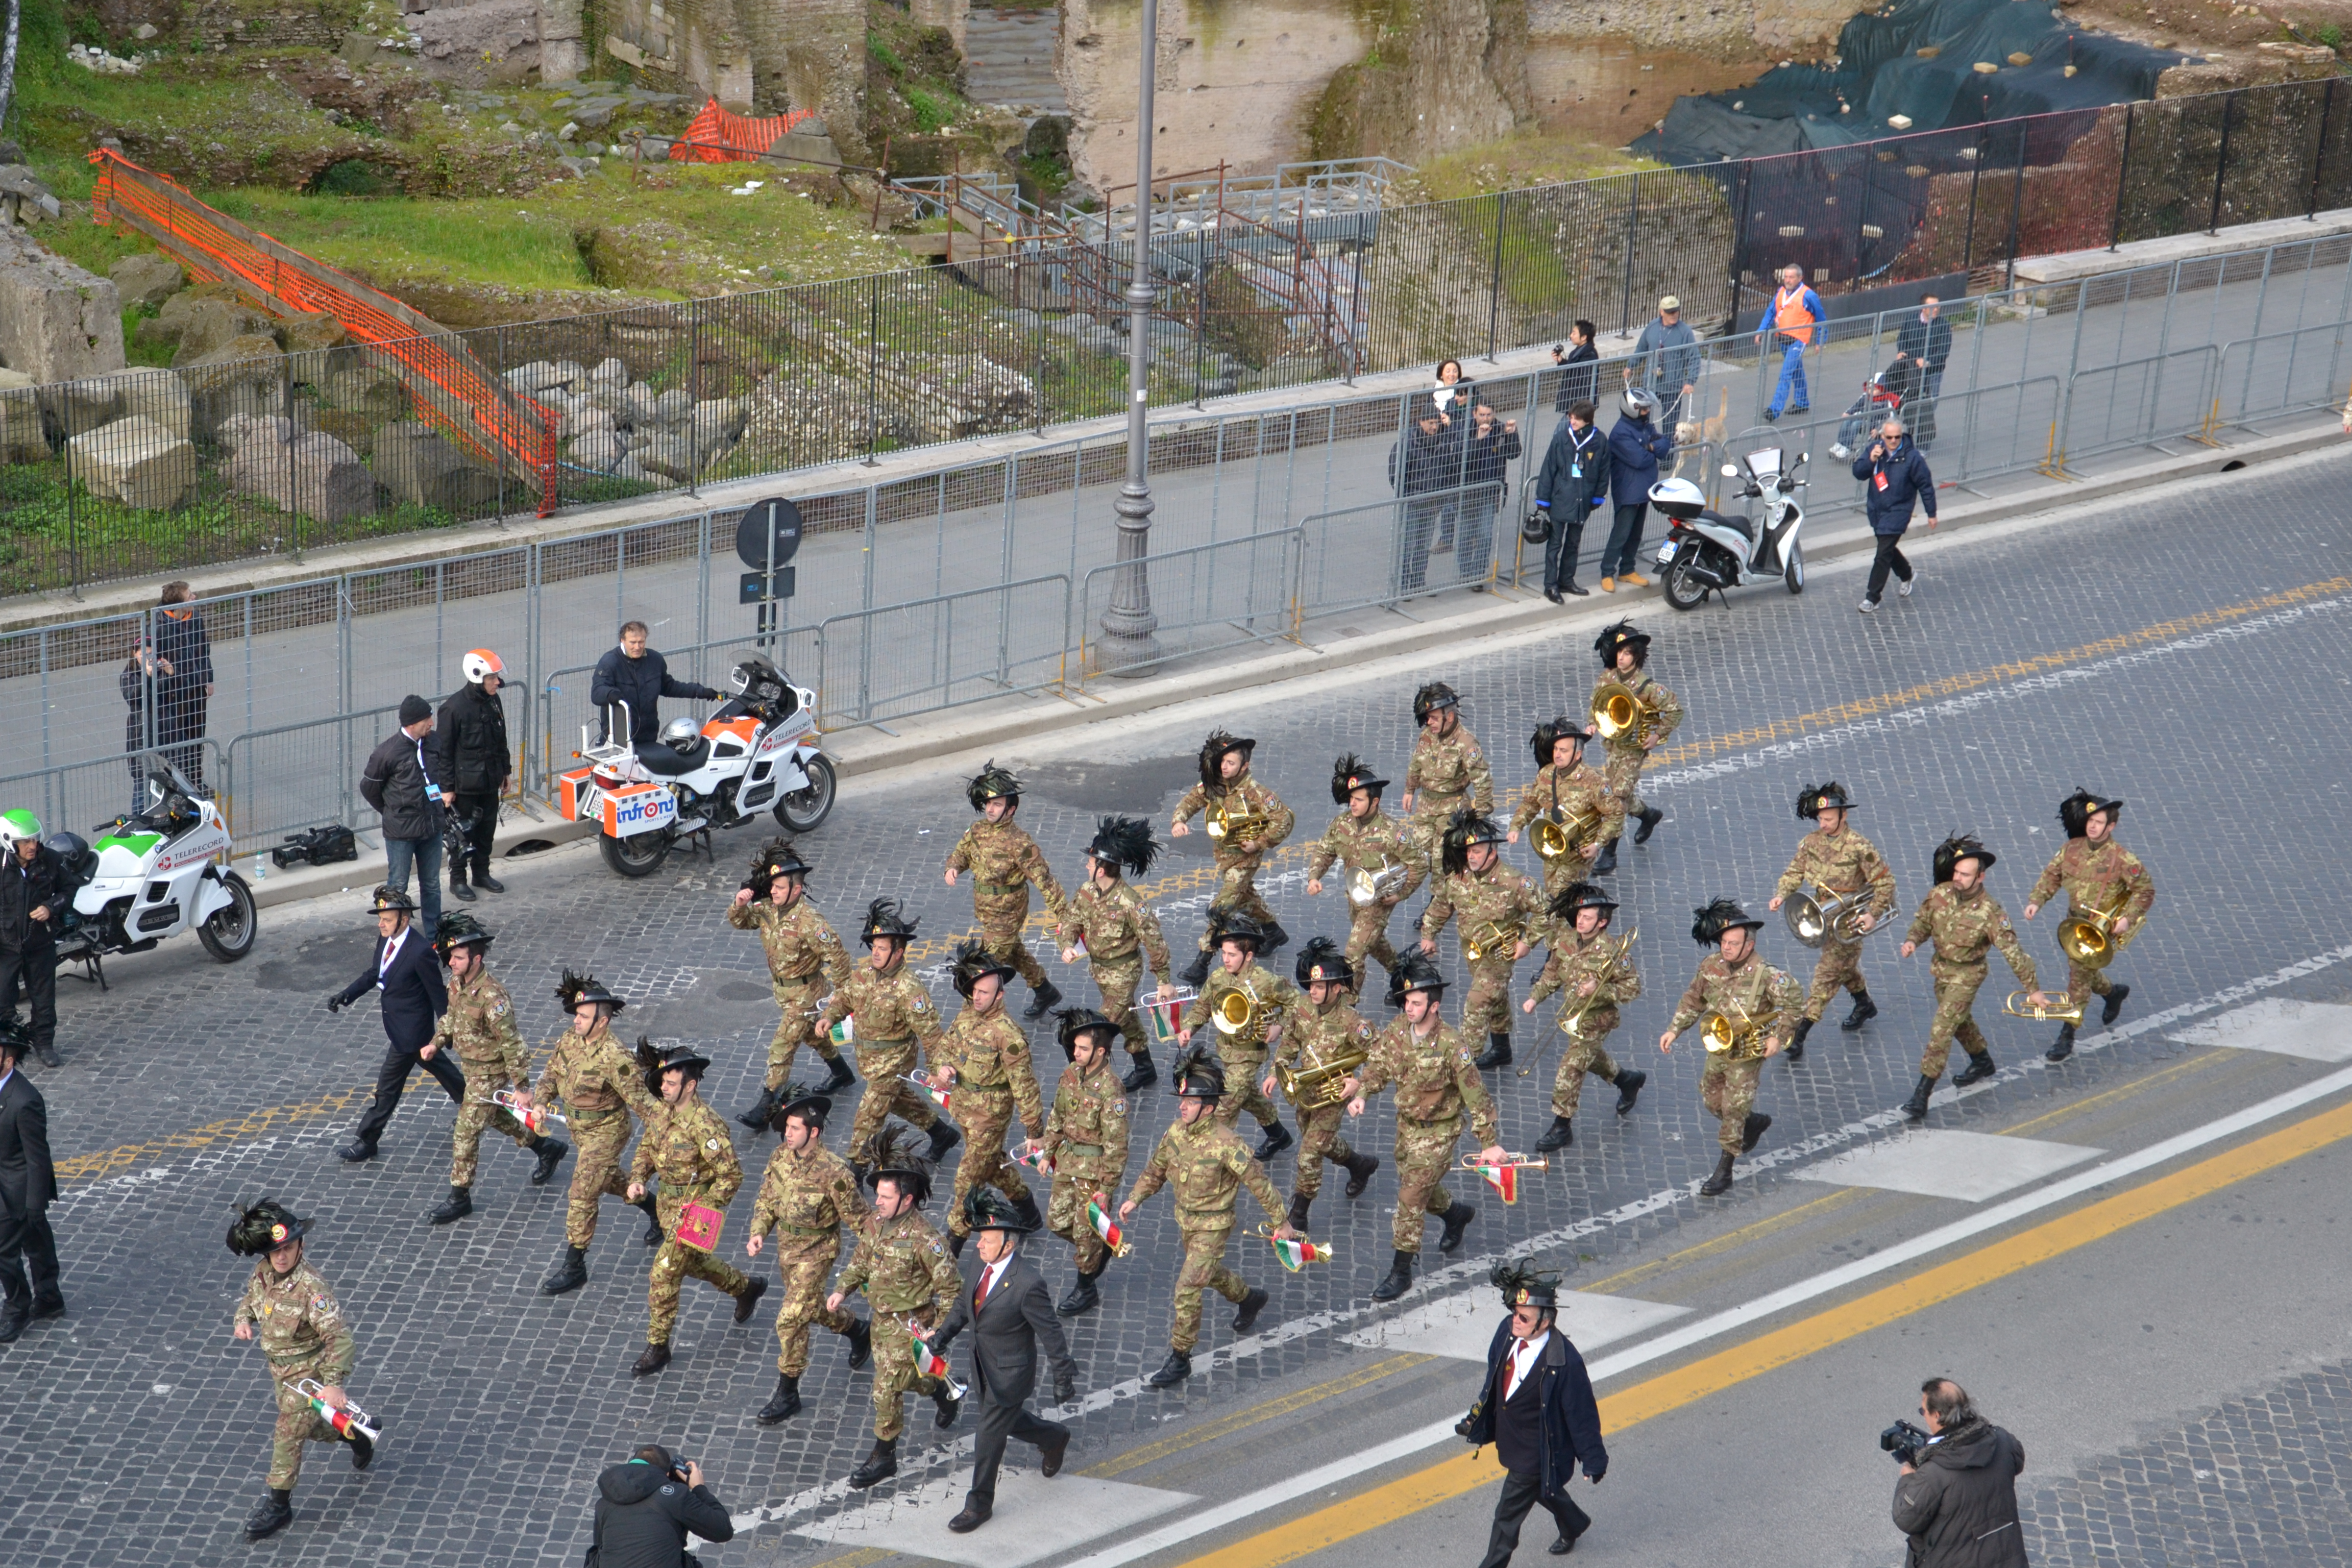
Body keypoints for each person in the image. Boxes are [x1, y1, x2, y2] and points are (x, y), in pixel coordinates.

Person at [1118, 1046, 1295, 1388]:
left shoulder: (1228, 1144)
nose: (1181, 1106)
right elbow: (1155, 1171)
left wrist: (1282, 1223)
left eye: (1189, 1102)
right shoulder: (1175, 1133)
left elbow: (1259, 1183)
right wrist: (1134, 1199)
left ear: (1209, 1108)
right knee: (1208, 1274)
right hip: (1185, 1222)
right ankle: (1249, 1298)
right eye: (1182, 1101)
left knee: (1187, 1288)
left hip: (1213, 1226)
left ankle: (1180, 1357)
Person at [1344, 953, 1505, 1301]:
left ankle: (1401, 1272)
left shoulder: (1452, 1044)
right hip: (1407, 1128)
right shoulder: (1399, 1029)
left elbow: (1476, 1094)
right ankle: (1456, 1214)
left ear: (1434, 1006)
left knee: (1410, 1199)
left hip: (1439, 1131)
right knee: (1420, 1188)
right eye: (1406, 1002)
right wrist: (1364, 1093)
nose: (1408, 1008)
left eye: (1416, 1003)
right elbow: (1380, 1064)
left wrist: (1488, 1142)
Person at [929, 1190, 1081, 1533]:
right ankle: (1054, 1437)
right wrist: (941, 1337)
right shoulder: (978, 1262)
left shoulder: (1028, 1284)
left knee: (988, 1435)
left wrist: (1063, 1376)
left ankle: (979, 1505)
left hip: (1010, 1375)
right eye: (980, 1238)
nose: (979, 1245)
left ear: (1008, 1247)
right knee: (1008, 1423)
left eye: (987, 1240)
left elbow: (1051, 1332)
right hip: (982, 1366)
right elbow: (963, 1306)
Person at [826, 1126, 965, 1489]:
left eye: (885, 1197)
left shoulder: (926, 1240)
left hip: (913, 1324)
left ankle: (884, 1456)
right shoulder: (876, 1223)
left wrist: (940, 1330)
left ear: (907, 1200)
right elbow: (860, 1260)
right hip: (881, 1323)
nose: (877, 1202)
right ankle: (940, 1389)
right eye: (877, 1195)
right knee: (913, 1382)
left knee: (885, 1388)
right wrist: (843, 1289)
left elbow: (952, 1289)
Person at [226, 1200, 372, 1542]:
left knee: (288, 1434)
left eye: (288, 1248)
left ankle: (279, 1504)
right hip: (281, 1373)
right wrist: (242, 1320)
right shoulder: (264, 1271)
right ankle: (356, 1435)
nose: (281, 1257)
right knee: (314, 1429)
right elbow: (251, 1298)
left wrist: (334, 1386)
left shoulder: (312, 1289)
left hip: (311, 1373)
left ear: (301, 1246)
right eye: (275, 1250)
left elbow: (339, 1338)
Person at [627, 1041, 767, 1377]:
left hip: (696, 1212)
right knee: (693, 1263)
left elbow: (731, 1176)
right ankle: (745, 1288)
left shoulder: (707, 1126)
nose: (664, 1088)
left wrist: (702, 1208)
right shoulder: (662, 1111)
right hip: (667, 1204)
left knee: (663, 1272)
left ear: (690, 1086)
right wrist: (638, 1177)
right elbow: (648, 1146)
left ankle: (658, 1346)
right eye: (663, 1082)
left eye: (671, 1083)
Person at [422, 913, 568, 1224]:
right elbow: (452, 1018)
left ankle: (460, 1196)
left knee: (466, 1130)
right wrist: (437, 1041)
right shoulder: (457, 984)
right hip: (471, 1069)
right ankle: (547, 1147)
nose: (451, 963)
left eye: (458, 958)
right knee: (499, 1117)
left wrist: (523, 1088)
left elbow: (512, 1043)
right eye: (450, 957)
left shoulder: (493, 996)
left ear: (476, 959)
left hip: (490, 1073)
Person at [1460, 1261, 1608, 1565]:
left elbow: (1582, 1416)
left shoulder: (1565, 1363)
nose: (1515, 1321)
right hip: (1511, 1438)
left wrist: (1594, 1460)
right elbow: (1494, 1379)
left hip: (1538, 1450)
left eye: (1524, 1317)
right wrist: (1476, 1417)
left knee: (1507, 1517)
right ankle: (1575, 1523)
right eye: (1515, 1313)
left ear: (1546, 1322)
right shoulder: (1506, 1332)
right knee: (1545, 1488)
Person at [744, 1083, 872, 1424]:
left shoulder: (835, 1173)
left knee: (790, 1319)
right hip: (787, 1248)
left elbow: (862, 1221)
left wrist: (879, 1261)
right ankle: (857, 1330)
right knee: (810, 1309)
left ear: (814, 1132)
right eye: (786, 1128)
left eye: (794, 1129)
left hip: (818, 1252)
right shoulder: (780, 1158)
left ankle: (788, 1392)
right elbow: (767, 1199)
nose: (787, 1134)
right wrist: (758, 1232)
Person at [534, 970, 668, 1295]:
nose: (576, 1021)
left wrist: (673, 1133)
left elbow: (643, 1104)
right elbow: (552, 1073)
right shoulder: (570, 1039)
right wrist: (539, 1102)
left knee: (582, 1191)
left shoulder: (616, 1059)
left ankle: (575, 1265)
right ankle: (656, 1209)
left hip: (607, 1131)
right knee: (606, 1179)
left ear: (603, 1022)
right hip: (579, 1128)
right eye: (577, 1015)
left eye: (583, 1017)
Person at [1658, 900, 1801, 1196]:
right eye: (1724, 942)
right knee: (1713, 1100)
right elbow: (1693, 1000)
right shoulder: (1711, 966)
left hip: (1749, 1053)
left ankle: (1725, 1169)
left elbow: (1795, 1003)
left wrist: (1779, 1037)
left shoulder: (1767, 975)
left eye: (1733, 943)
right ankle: (1753, 1122)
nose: (1726, 948)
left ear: (1749, 945)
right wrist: (1674, 1029)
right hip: (1719, 1045)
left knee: (1734, 1108)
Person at [1899, 836, 2046, 1122]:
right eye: (1956, 872)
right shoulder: (1940, 893)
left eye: (1965, 874)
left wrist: (2033, 990)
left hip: (1968, 974)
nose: (1957, 878)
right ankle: (1981, 1060)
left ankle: (1921, 1095)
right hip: (1941, 971)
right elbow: (1922, 922)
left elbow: (2014, 952)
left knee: (1942, 1028)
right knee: (1959, 1021)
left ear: (1981, 877)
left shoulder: (1991, 913)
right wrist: (1912, 941)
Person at [329, 885, 462, 1164]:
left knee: (386, 1090)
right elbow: (374, 973)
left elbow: (437, 994)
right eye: (380, 918)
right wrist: (346, 995)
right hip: (404, 1029)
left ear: (404, 919)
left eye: (387, 919)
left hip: (411, 1034)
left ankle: (367, 1140)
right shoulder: (386, 940)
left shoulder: (420, 951)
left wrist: (447, 1029)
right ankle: (471, 1103)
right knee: (440, 1067)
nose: (381, 924)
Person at [729, 838, 855, 1131]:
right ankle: (841, 1072)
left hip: (808, 995)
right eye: (772, 885)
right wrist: (739, 905)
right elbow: (742, 922)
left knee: (783, 1046)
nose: (773, 890)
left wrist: (841, 1001)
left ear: (796, 890)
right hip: (784, 992)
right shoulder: (768, 909)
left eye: (780, 887)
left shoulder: (811, 923)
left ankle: (768, 1104)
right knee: (813, 1037)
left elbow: (839, 959)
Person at [820, 899, 956, 1170]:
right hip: (869, 1059)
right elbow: (846, 997)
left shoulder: (910, 989)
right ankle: (943, 1135)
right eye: (875, 947)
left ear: (899, 952)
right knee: (899, 1102)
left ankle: (856, 1171)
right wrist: (829, 1016)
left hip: (893, 1063)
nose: (876, 953)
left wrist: (935, 1070)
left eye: (883, 948)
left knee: (869, 1116)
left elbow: (930, 1034)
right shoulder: (867, 974)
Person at [2024, 789, 2154, 1062]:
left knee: (2078, 978)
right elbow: (2053, 874)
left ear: (2112, 826)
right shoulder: (2071, 848)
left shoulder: (2122, 859)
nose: (2093, 826)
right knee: (2081, 970)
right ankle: (2113, 993)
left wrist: (2127, 918)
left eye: (2099, 822)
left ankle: (2067, 1034)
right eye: (2090, 821)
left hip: (2101, 929)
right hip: (2074, 924)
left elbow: (2145, 890)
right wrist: (2037, 900)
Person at [936, 940, 1048, 1257]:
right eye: (975, 991)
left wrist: (1034, 1132)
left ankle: (951, 1248)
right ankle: (1028, 1210)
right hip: (964, 1107)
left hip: (990, 1116)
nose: (977, 997)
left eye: (984, 992)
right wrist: (943, 1066)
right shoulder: (967, 1014)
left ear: (1000, 995)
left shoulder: (1008, 1036)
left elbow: (1025, 1086)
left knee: (967, 1182)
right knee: (992, 1165)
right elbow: (946, 1045)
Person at [1769, 782, 1897, 1057]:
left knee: (1826, 976)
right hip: (1822, 913)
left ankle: (1800, 1033)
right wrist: (1782, 895)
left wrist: (1873, 914)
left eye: (1828, 819)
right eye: (1820, 819)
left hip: (1850, 921)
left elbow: (1885, 883)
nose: (1824, 824)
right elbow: (1795, 872)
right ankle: (1864, 1004)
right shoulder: (1811, 843)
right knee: (1844, 967)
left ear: (1844, 815)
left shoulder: (1860, 847)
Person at [1521, 881, 1645, 1153]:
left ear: (1602, 923)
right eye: (1579, 915)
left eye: (1587, 918)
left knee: (1572, 1067)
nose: (1580, 920)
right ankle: (1627, 1080)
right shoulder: (1565, 941)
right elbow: (1553, 973)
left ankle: (1562, 1126)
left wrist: (1598, 991)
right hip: (1572, 1013)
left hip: (1597, 1020)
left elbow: (1632, 988)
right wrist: (1535, 997)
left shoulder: (1614, 951)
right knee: (1590, 1058)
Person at [1267, 939, 1380, 1235]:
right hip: (1306, 1092)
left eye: (1320, 987)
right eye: (1311, 986)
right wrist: (1274, 1071)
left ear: (1338, 987)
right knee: (1320, 1143)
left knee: (1309, 1154)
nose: (1312, 992)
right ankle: (1359, 1165)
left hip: (1333, 1097)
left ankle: (1299, 1214)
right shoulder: (1305, 1007)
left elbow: (1382, 1056)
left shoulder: (1353, 1022)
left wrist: (1360, 1085)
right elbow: (1291, 1040)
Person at [1058, 816, 1177, 1091]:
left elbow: (1155, 941)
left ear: (1101, 869)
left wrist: (1163, 980)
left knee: (1097, 1034)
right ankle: (1145, 1068)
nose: (1087, 865)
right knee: (1126, 1018)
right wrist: (1067, 944)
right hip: (1100, 972)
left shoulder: (1130, 903)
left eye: (1090, 861)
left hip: (1123, 974)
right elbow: (1071, 919)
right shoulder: (1088, 891)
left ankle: (1084, 1085)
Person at [1421, 807, 1544, 1070]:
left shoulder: (1515, 883)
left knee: (1477, 1003)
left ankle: (1465, 1063)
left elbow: (1547, 912)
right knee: (1495, 999)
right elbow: (1442, 904)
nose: (1471, 856)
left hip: (1499, 957)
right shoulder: (1460, 877)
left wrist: (1527, 943)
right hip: (1473, 954)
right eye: (1468, 851)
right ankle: (1502, 1049)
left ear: (1493, 851)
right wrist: (1429, 934)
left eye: (1477, 851)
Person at [946, 763, 1068, 1021]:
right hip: (987, 911)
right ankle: (1045, 991)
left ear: (1011, 810)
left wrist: (1067, 917)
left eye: (998, 804)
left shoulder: (1020, 842)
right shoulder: (977, 830)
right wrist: (953, 867)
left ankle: (976, 1019)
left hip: (1008, 913)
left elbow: (1044, 881)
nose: (990, 809)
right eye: (988, 803)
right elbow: (962, 853)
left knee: (983, 970)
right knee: (1014, 952)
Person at [1171, 730, 1294, 984]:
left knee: (1221, 908)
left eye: (1231, 763)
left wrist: (1260, 842)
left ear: (1244, 766)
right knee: (1246, 897)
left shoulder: (1256, 793)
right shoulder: (1214, 784)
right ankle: (1273, 931)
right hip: (1224, 858)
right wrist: (1179, 820)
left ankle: (1201, 963)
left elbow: (1284, 820)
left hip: (1245, 860)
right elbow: (1191, 801)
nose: (1224, 767)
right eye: (1223, 761)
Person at [1176, 913, 1297, 1161]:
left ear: (1249, 956)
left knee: (1224, 1107)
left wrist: (1279, 1027)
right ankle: (1278, 1135)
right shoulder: (1219, 978)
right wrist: (1189, 1028)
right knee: (1250, 1097)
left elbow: (1297, 1003)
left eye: (1232, 955)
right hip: (1226, 1051)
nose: (1226, 960)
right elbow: (1202, 1007)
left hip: (1249, 1055)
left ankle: (1213, 1159)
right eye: (1224, 954)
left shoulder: (1267, 982)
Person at [1039, 1008, 1132, 1316]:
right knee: (1057, 1222)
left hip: (1094, 1174)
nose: (1075, 1053)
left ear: (1101, 1051)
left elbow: (1117, 1146)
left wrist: (1106, 1188)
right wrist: (1047, 1152)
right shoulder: (1070, 1076)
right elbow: (1058, 1116)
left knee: (1084, 1232)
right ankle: (1098, 1246)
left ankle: (1086, 1287)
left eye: (1083, 1048)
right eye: (1075, 1047)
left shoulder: (1111, 1091)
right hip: (1067, 1163)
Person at [1305, 755, 1425, 989]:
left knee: (1354, 952)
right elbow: (1325, 850)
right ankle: (1403, 975)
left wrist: (1402, 894)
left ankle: (1349, 1003)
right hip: (1355, 897)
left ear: (1375, 802)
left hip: (1378, 902)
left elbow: (1419, 863)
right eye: (1351, 799)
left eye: (1359, 800)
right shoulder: (1342, 824)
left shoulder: (1391, 832)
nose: (1353, 804)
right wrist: (1314, 877)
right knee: (1374, 942)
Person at [1892, 1379, 2028, 1568]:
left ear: (1938, 1415)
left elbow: (1906, 1518)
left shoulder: (1934, 1473)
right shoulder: (2003, 1442)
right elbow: (2017, 1462)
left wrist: (1908, 1478)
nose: (1923, 1415)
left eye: (1923, 1411)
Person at [1587, 621, 1681, 869]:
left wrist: (1657, 736)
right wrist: (1591, 725)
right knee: (1621, 794)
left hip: (1633, 750)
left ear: (1637, 657)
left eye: (1627, 653)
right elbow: (1597, 705)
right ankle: (1648, 815)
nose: (1621, 657)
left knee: (1615, 798)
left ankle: (1609, 854)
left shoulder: (1647, 687)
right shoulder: (1607, 677)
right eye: (1619, 652)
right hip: (1613, 746)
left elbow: (1675, 710)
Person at [360, 695, 449, 935]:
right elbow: (369, 788)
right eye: (427, 719)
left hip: (431, 827)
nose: (432, 723)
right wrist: (391, 812)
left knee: (431, 884)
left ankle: (434, 934)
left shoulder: (433, 742)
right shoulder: (386, 753)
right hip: (401, 833)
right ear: (412, 723)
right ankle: (393, 934)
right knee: (398, 886)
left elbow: (442, 770)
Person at [1507, 721, 1620, 900]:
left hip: (1578, 853)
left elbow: (1615, 815)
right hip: (1554, 846)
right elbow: (1531, 802)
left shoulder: (1594, 782)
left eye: (1564, 751)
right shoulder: (1547, 774)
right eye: (1556, 749)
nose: (1557, 755)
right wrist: (1516, 826)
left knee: (1563, 896)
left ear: (1578, 754)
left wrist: (1597, 845)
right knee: (1553, 890)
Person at [433, 648, 512, 903]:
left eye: (497, 677)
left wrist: (506, 772)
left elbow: (501, 739)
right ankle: (458, 881)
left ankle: (481, 874)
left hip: (490, 781)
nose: (497, 682)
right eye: (492, 678)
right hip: (464, 786)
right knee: (461, 836)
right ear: (477, 677)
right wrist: (446, 788)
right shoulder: (453, 709)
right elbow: (443, 753)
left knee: (486, 832)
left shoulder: (493, 701)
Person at [0, 1027, 62, 1342]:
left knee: (3, 1250)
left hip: (17, 1189)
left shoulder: (25, 1101)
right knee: (37, 1242)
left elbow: (38, 1158)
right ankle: (50, 1298)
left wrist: (35, 1206)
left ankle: (17, 1308)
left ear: (8, 1062)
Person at [589, 1445, 736, 1568]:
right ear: (666, 1474)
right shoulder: (675, 1496)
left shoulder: (605, 1502)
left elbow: (599, 1548)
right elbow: (723, 1530)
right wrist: (698, 1488)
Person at [591, 619, 720, 747]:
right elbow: (597, 692)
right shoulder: (610, 662)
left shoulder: (655, 659)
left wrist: (701, 692)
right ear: (622, 641)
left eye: (641, 642)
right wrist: (610, 694)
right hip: (618, 741)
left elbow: (669, 686)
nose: (638, 647)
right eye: (633, 642)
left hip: (648, 738)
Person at [0, 811, 64, 1068]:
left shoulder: (49, 861)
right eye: (25, 842)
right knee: (3, 999)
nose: (32, 846)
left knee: (44, 998)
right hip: (6, 947)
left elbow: (69, 890)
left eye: (35, 840)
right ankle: (9, 1045)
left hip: (40, 944)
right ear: (10, 842)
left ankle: (44, 1044)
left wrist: (51, 907)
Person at [1401, 682, 1494, 857]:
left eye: (1435, 718)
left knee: (1442, 863)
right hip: (1426, 809)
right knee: (1419, 858)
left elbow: (1483, 782)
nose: (1429, 722)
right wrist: (1410, 790)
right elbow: (1416, 763)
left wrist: (1478, 819)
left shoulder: (1467, 744)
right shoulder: (1428, 735)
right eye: (1428, 717)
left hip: (1451, 812)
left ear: (1449, 717)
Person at [1530, 400, 1608, 602]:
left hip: (1583, 501)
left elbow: (1603, 471)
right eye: (1571, 417)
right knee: (1555, 544)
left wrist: (1598, 497)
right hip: (1560, 499)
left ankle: (1566, 581)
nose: (1572, 421)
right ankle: (1551, 585)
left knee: (1573, 543)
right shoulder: (1561, 439)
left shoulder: (1599, 440)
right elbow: (1548, 469)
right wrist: (1543, 499)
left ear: (1587, 420)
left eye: (1577, 418)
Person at [1856, 418, 1934, 613]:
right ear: (1882, 436)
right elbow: (1858, 472)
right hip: (1877, 509)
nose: (1893, 441)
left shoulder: (1913, 458)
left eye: (1897, 437)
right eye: (1889, 437)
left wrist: (1931, 513)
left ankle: (1872, 597)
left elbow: (1925, 486)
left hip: (1899, 510)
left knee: (1882, 554)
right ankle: (1907, 573)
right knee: (1887, 548)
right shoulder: (1875, 450)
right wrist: (1871, 460)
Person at [1601, 388, 1670, 593]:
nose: (1647, 412)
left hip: (1643, 490)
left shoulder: (1645, 427)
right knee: (1621, 533)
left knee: (1636, 534)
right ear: (1633, 408)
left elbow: (1665, 445)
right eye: (1644, 409)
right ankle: (1607, 572)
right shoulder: (1621, 432)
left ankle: (1627, 569)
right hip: (1628, 491)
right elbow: (1640, 460)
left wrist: (1648, 448)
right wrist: (1652, 450)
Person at [1390, 403, 1463, 593]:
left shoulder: (1442, 442)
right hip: (1413, 502)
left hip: (1433, 503)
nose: (1434, 427)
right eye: (1430, 423)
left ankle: (1419, 581)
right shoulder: (1407, 443)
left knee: (1423, 545)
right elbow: (1396, 475)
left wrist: (1443, 495)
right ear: (1421, 422)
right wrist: (1407, 496)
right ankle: (1404, 583)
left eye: (1437, 423)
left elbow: (1450, 471)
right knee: (1408, 544)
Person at [153, 580, 215, 789]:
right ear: (178, 606)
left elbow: (204, 648)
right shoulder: (159, 626)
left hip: (196, 687)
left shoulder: (195, 617)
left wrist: (208, 678)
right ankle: (178, 783)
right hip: (174, 692)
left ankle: (196, 781)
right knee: (177, 739)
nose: (194, 597)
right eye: (190, 596)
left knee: (197, 735)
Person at [1458, 401, 1522, 587]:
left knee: (1485, 535)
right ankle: (1466, 573)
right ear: (1474, 414)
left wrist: (1512, 434)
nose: (1486, 419)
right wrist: (1478, 439)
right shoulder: (1465, 431)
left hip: (1490, 491)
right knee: (1466, 535)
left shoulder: (1500, 429)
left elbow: (1515, 453)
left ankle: (1478, 575)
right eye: (1482, 415)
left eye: (1489, 415)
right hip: (1468, 493)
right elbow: (1462, 460)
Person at [1758, 263, 1823, 422]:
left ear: (1800, 278)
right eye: (1786, 277)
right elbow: (1770, 312)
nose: (1788, 280)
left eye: (1791, 277)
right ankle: (1802, 402)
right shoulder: (1781, 292)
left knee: (1786, 374)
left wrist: (1820, 341)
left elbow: (1821, 319)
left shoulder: (1809, 295)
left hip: (1798, 341)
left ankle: (1774, 410)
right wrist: (1761, 331)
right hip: (1783, 339)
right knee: (1796, 371)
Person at [1628, 295, 1700, 430]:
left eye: (1676, 311)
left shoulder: (1685, 332)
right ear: (1662, 312)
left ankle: (1669, 451)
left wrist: (1690, 381)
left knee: (1670, 428)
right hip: (1650, 385)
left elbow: (1694, 357)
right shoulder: (1652, 326)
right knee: (1644, 425)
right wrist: (1630, 366)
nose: (1674, 315)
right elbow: (1642, 348)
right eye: (1670, 312)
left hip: (1672, 387)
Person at [1889, 296, 1951, 449]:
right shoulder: (1911, 320)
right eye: (1933, 307)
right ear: (1923, 309)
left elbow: (1944, 350)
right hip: (1910, 370)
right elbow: (1902, 339)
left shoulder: (1943, 325)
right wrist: (1902, 351)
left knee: (1928, 405)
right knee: (1905, 401)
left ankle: (1923, 445)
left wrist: (1928, 361)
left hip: (1932, 372)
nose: (1936, 309)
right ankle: (1902, 438)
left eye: (1938, 306)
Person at [118, 636, 163, 812]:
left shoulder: (159, 668)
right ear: (134, 654)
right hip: (140, 731)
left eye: (151, 654)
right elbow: (131, 697)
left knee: (163, 781)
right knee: (142, 781)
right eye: (142, 654)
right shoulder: (128, 675)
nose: (147, 658)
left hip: (162, 728)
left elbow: (167, 693)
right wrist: (147, 676)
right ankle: (138, 820)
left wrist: (170, 672)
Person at [1550, 322, 1600, 414]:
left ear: (1584, 337)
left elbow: (1586, 384)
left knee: (1564, 429)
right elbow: (1572, 370)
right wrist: (1561, 361)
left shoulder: (1589, 356)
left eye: (1574, 333)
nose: (1571, 336)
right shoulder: (1578, 351)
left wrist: (1579, 409)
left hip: (1579, 407)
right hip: (1574, 405)